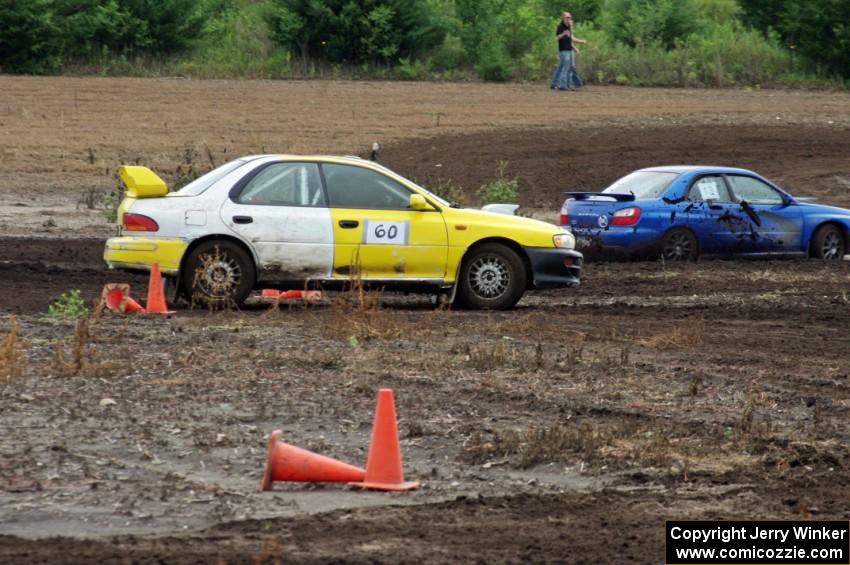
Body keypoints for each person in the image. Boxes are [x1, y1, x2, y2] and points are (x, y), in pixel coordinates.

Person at [549, 12, 586, 91]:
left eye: (570, 17)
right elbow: (557, 38)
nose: (569, 19)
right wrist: (563, 34)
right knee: (566, 67)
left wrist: (575, 47)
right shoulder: (560, 26)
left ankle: (560, 84)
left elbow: (570, 39)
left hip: (569, 50)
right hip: (564, 51)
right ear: (563, 18)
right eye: (567, 17)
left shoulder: (568, 27)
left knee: (566, 67)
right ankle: (563, 85)